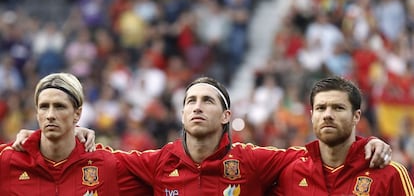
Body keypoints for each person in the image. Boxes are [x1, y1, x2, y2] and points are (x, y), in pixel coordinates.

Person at [12, 76, 391, 195]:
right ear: (180, 112)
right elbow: (89, 161)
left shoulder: (255, 161)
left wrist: (367, 144)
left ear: (226, 115)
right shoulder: (154, 164)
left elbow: (323, 153)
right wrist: (54, 133)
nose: (197, 106)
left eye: (208, 100)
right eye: (190, 100)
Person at [0, 72, 152, 195]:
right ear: (37, 113)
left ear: (77, 114)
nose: (50, 115)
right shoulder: (7, 161)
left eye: (60, 106)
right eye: (44, 107)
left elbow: (166, 164)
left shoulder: (107, 165)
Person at [271, 76, 414, 195]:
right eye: (320, 108)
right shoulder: (290, 174)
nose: (327, 115)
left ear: (356, 116)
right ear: (312, 116)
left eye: (338, 108)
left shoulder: (390, 174)